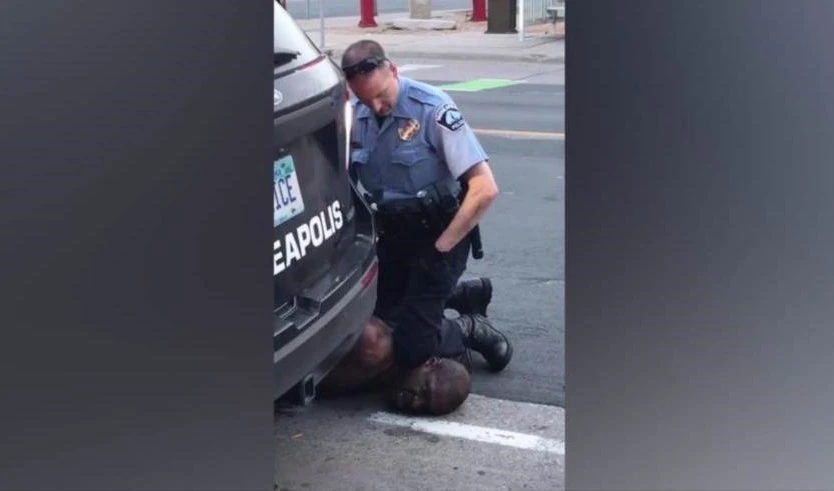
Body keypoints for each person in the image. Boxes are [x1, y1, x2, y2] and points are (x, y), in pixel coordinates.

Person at [318, 39, 514, 415]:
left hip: (440, 236)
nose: (376, 107)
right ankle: (455, 296)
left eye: (381, 96)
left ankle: (468, 327)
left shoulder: (431, 108)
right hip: (393, 236)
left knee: (410, 347)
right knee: (372, 319)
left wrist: (441, 250)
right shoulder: (355, 115)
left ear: (393, 71)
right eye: (366, 100)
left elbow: (485, 188)